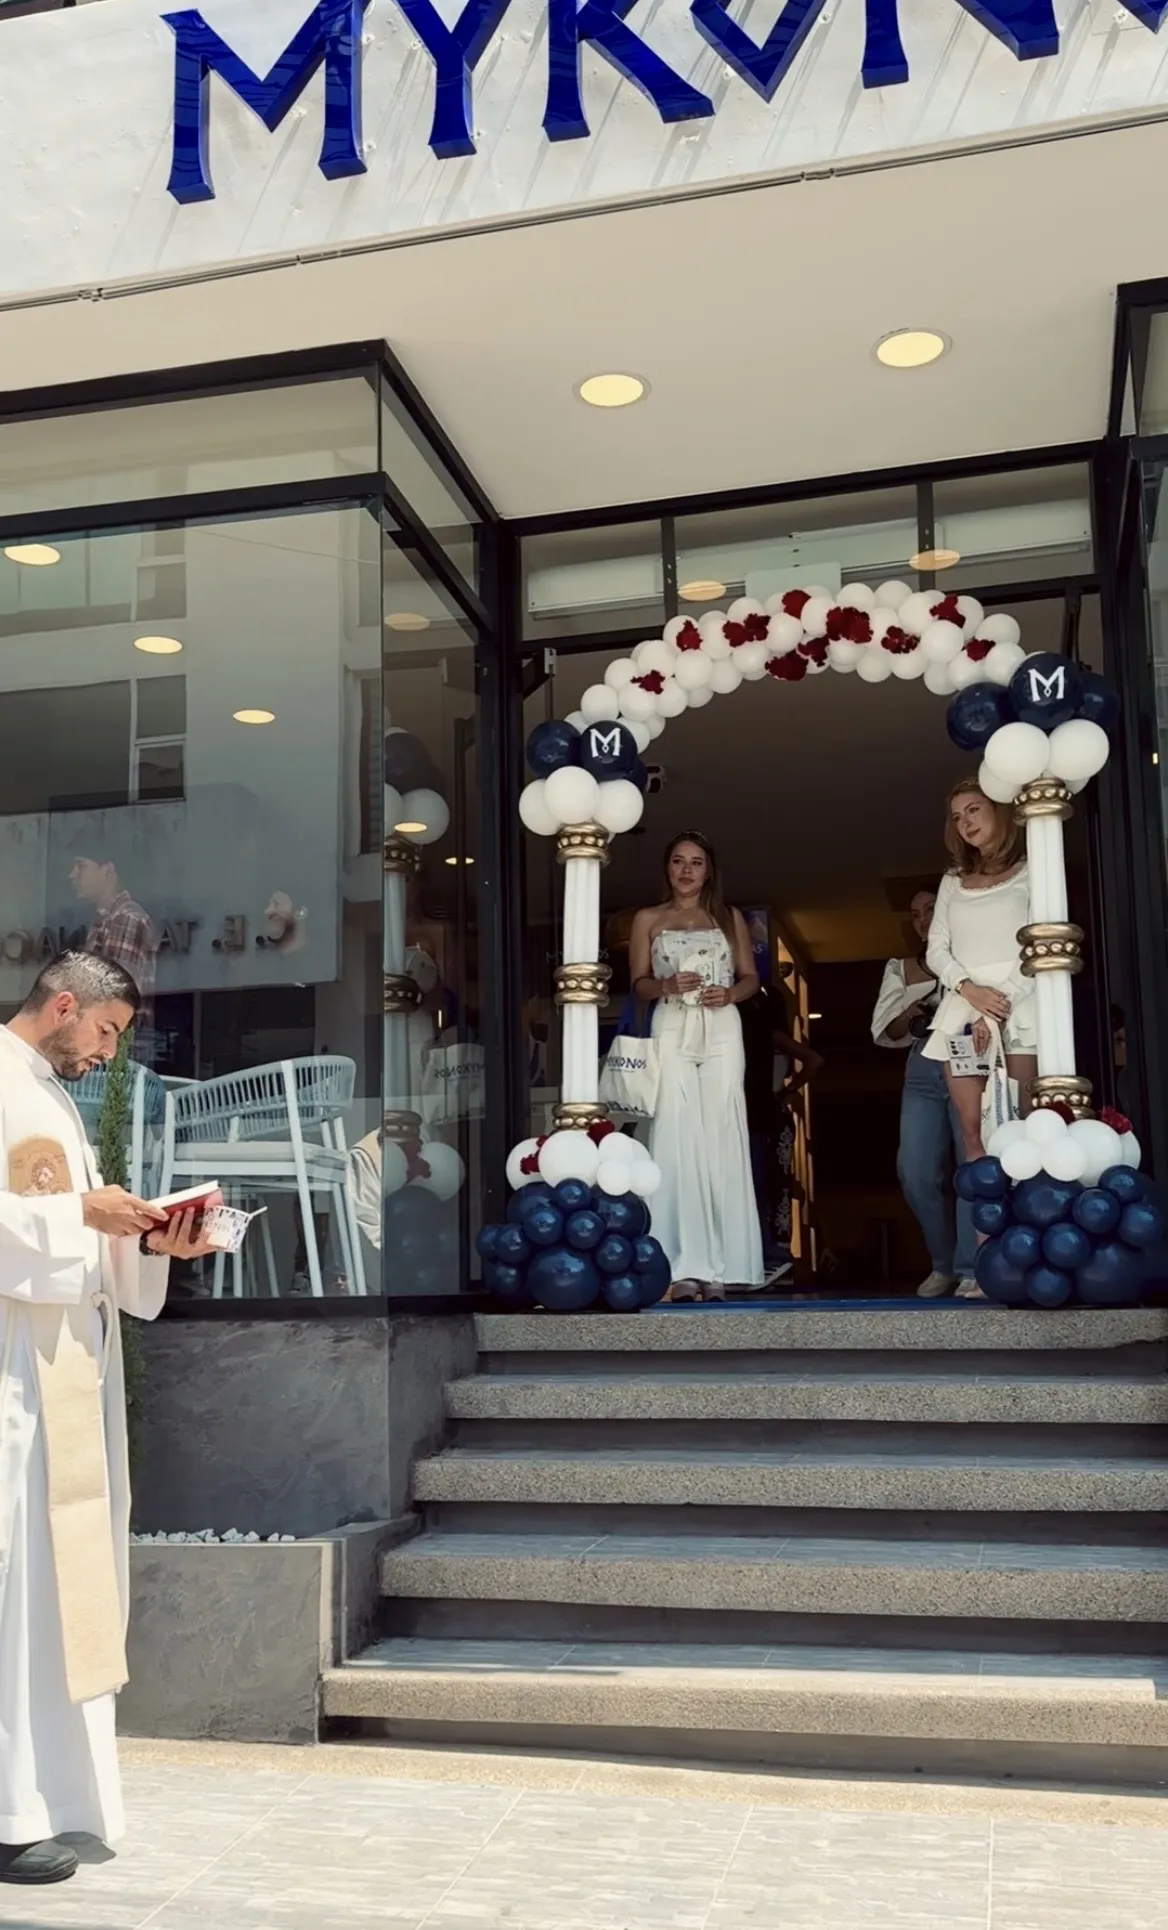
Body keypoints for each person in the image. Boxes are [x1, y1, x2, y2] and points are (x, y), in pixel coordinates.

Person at [0, 952, 213, 1886]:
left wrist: (155, 1240)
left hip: (65, 1375)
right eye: (105, 1031)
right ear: (62, 1005)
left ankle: (44, 1799)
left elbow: (79, 1239)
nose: (109, 1053)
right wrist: (80, 1213)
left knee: (52, 1593)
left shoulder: (52, 1095)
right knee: (14, 1589)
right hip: (12, 1376)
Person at [628, 831, 763, 1301]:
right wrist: (665, 985)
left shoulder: (728, 917)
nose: (687, 871)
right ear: (668, 868)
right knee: (675, 1135)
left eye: (697, 862)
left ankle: (727, 1266)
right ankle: (680, 1265)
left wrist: (730, 994)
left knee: (723, 1132)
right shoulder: (648, 919)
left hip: (721, 1024)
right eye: (679, 861)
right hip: (672, 1021)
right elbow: (638, 983)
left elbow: (751, 978)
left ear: (709, 871)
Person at [923, 781, 1036, 1301]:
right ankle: (985, 1264)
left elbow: (1040, 944)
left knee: (1020, 1132)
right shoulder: (952, 880)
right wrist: (969, 991)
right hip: (962, 1011)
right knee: (974, 1140)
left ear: (1000, 812)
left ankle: (1026, 1253)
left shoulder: (1033, 870)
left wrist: (998, 1002)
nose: (966, 821)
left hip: (1019, 1009)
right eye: (957, 815)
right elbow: (937, 949)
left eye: (975, 809)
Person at [873, 887, 978, 1299]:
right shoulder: (900, 968)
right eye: (915, 914)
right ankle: (943, 1264)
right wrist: (911, 1011)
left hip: (969, 1055)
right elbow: (886, 1031)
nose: (922, 919)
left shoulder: (972, 956)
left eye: (930, 909)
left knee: (971, 1164)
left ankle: (973, 1266)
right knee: (914, 1171)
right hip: (922, 1065)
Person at [741, 982, 822, 1285]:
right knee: (774, 1185)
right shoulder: (774, 1036)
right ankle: (775, 1254)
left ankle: (769, 1255)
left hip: (756, 1114)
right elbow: (815, 1061)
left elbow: (815, 1061)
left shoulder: (756, 1034)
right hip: (771, 1112)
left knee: (760, 1183)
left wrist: (786, 1091)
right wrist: (787, 1091)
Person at [70, 854, 156, 1053]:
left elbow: (115, 999)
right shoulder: (106, 918)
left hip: (115, 1052)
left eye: (81, 866)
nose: (72, 875)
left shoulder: (125, 918)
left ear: (108, 870)